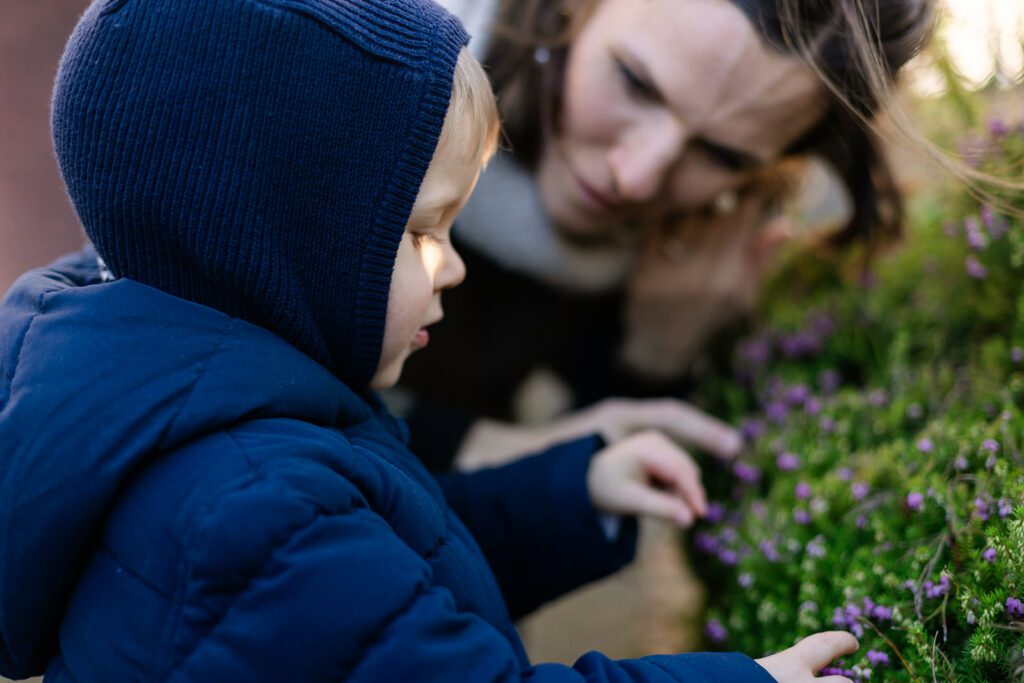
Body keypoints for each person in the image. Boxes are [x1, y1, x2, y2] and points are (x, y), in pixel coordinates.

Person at [0, 0, 859, 681]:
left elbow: (404, 560)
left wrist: (575, 487)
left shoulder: (246, 422)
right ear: (283, 247)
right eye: (420, 234)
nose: (451, 267)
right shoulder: (250, 509)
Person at [399, 0, 936, 471]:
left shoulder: (693, 265)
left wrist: (654, 359)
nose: (636, 178)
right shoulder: (372, 67)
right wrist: (482, 447)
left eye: (722, 154)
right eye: (636, 82)